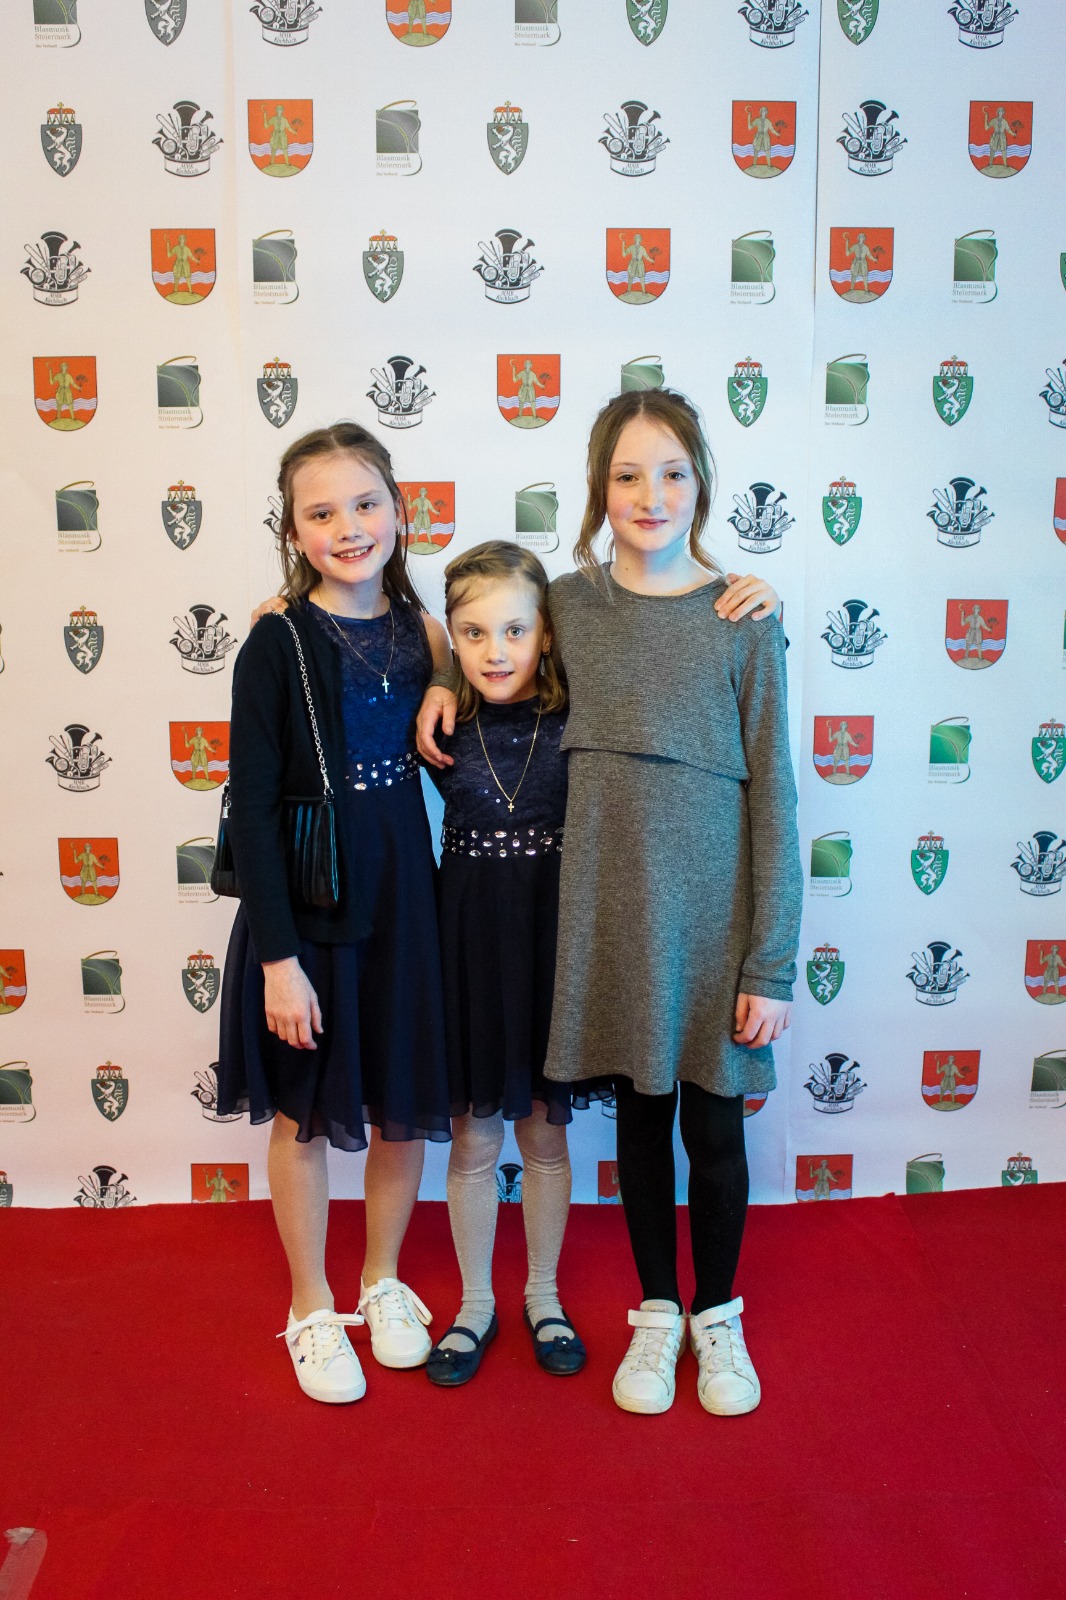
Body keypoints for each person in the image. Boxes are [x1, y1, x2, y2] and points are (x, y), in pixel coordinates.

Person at [418, 389, 797, 1418]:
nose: (650, 494)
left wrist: (770, 963)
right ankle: (657, 1310)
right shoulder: (572, 608)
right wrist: (442, 675)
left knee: (714, 1134)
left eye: (672, 472)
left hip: (716, 928)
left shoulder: (742, 619)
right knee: (641, 1124)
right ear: (597, 488)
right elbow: (490, 628)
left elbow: (776, 795)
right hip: (613, 921)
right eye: (627, 474)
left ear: (701, 483)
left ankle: (718, 1315)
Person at [217, 422, 454, 1406]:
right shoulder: (275, 640)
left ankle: (382, 1279)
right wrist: (278, 960)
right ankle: (311, 1304)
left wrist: (445, 678)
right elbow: (252, 808)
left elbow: (480, 668)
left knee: (401, 1100)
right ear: (293, 531)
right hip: (310, 913)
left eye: (365, 504)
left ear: (398, 510)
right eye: (322, 513)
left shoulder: (423, 629)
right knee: (304, 1110)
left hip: (404, 900)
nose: (349, 527)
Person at [422, 541, 611, 1388]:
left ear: (548, 633)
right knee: (473, 1136)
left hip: (548, 947)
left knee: (543, 1130)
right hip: (465, 949)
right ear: (452, 638)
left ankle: (543, 1294)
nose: (495, 651)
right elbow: (379, 643)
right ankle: (474, 1304)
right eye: (473, 634)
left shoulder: (581, 715)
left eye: (514, 631)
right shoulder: (438, 722)